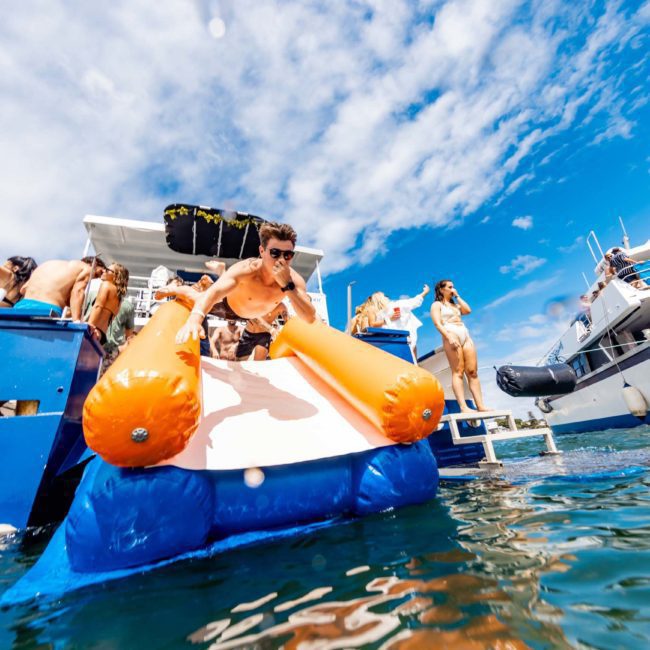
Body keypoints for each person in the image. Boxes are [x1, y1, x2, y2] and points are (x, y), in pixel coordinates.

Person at [164, 222, 315, 344]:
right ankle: (177, 287)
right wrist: (195, 319)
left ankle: (220, 271)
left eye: (287, 255)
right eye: (274, 253)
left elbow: (309, 318)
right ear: (262, 251)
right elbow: (213, 294)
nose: (281, 259)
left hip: (253, 317)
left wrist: (287, 286)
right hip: (229, 306)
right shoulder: (246, 270)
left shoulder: (294, 280)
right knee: (195, 298)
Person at [430, 279, 489, 413]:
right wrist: (449, 336)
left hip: (464, 333)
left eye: (453, 287)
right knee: (458, 371)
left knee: (472, 371)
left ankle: (481, 406)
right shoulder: (437, 305)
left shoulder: (455, 305)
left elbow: (468, 310)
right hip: (451, 332)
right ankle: (463, 407)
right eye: (450, 287)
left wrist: (457, 296)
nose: (453, 289)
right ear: (441, 289)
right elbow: (437, 323)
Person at [15, 256, 106, 318]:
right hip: (47, 310)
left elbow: (23, 289)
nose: (95, 278)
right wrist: (77, 321)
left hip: (20, 307)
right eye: (99, 273)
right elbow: (77, 292)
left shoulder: (50, 264)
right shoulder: (87, 268)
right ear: (94, 264)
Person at [380, 285, 430, 359]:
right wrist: (425, 292)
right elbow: (414, 301)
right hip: (407, 337)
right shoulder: (397, 304)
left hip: (392, 342)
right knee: (413, 353)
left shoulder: (380, 314)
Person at [85, 263, 129, 345]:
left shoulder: (106, 285)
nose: (104, 271)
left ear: (116, 276)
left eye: (107, 270)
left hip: (92, 330)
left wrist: (89, 326)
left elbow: (98, 306)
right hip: (101, 335)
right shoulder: (119, 298)